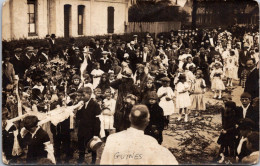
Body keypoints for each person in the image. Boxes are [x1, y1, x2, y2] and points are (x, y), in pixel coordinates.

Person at [100, 104, 178, 165]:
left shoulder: (112, 139)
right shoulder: (151, 143)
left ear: (130, 118)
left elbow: (104, 162)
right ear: (147, 121)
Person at [75, 87, 102, 164]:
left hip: (91, 130)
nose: (82, 97)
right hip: (82, 129)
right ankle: (81, 160)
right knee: (81, 147)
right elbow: (78, 117)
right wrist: (79, 108)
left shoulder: (95, 105)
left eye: (83, 95)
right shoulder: (82, 104)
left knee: (92, 147)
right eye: (81, 95)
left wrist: (96, 134)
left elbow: (97, 121)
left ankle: (93, 162)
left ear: (89, 94)